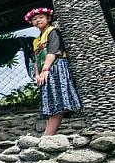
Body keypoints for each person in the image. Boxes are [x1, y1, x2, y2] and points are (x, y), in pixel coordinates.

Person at [25, 7, 81, 135]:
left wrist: (45, 69)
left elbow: (53, 51)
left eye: (41, 17)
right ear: (31, 22)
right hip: (44, 73)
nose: (38, 20)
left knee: (58, 99)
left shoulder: (53, 32)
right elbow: (36, 59)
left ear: (48, 18)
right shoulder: (36, 41)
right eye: (34, 19)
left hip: (55, 68)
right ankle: (48, 132)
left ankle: (49, 133)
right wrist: (37, 75)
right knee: (49, 102)